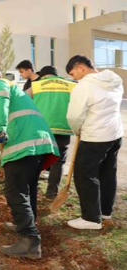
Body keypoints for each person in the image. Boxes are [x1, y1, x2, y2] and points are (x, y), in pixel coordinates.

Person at [0, 68, 58, 259]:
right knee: (27, 186)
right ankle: (28, 224)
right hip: (38, 142)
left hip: (24, 144)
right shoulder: (15, 88)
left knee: (15, 191)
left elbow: (0, 100)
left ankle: (29, 241)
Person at [65, 55, 123, 230]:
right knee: (107, 173)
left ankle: (91, 218)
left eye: (73, 73)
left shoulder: (84, 87)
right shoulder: (115, 80)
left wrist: (76, 130)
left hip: (94, 138)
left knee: (84, 175)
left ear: (81, 67)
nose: (73, 77)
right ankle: (105, 212)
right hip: (115, 135)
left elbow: (74, 116)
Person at [26, 66, 76, 200]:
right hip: (63, 129)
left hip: (41, 129)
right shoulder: (71, 85)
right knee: (58, 163)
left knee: (37, 160)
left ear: (42, 76)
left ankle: (31, 191)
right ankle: (51, 193)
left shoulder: (36, 85)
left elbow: (23, 99)